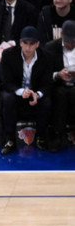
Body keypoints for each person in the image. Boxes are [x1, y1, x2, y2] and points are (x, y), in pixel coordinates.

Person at [0, 26, 54, 155]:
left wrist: (38, 94)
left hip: (35, 93)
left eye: (31, 44)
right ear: (20, 43)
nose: (28, 48)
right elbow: (6, 81)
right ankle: (10, 140)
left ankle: (40, 138)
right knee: (7, 98)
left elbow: (47, 83)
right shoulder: (8, 55)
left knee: (47, 101)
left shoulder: (47, 57)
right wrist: (21, 91)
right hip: (17, 92)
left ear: (37, 44)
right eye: (25, 43)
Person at [47, 20, 75, 148]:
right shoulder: (50, 47)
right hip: (59, 85)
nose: (71, 44)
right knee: (60, 94)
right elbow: (44, 73)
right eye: (68, 41)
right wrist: (58, 74)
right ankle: (57, 135)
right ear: (61, 35)